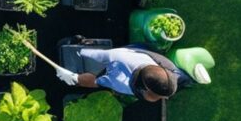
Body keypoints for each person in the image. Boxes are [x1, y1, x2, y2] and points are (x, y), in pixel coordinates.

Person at [55, 45, 202, 102]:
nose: (162, 99)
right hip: (127, 54)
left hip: (142, 50)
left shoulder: (170, 69)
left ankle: (188, 81)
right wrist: (75, 77)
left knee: (183, 79)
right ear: (143, 89)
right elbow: (95, 81)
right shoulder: (119, 80)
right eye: (159, 97)